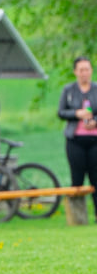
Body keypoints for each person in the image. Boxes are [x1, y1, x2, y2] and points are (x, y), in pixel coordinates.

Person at [58, 55, 97, 221]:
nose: (84, 73)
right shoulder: (68, 90)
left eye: (87, 69)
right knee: (77, 178)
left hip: (94, 139)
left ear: (91, 71)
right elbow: (61, 112)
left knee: (96, 178)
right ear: (75, 72)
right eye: (81, 70)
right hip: (75, 140)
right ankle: (78, 218)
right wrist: (76, 114)